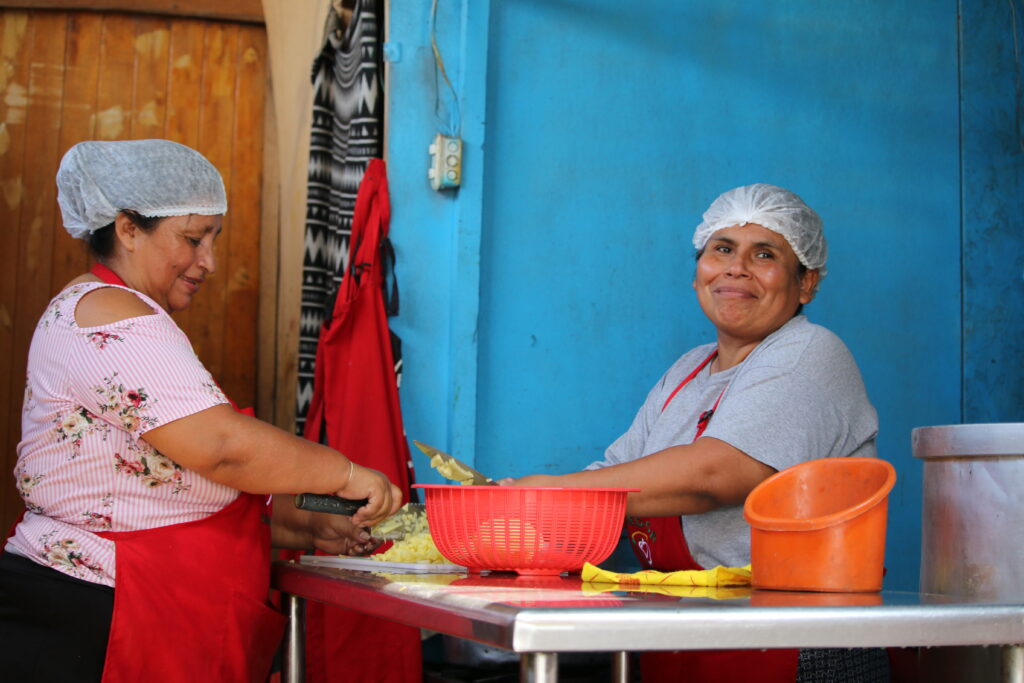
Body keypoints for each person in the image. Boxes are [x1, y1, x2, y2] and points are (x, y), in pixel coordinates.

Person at [0, 139, 403, 682]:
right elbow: (222, 449)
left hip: (136, 607)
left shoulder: (126, 315)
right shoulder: (108, 314)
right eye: (192, 239)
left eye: (212, 239)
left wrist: (307, 525)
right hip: (97, 615)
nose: (208, 261)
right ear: (127, 229)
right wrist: (348, 473)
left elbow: (167, 489)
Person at [512, 184, 885, 682]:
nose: (736, 268)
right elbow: (612, 473)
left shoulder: (810, 352)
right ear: (697, 275)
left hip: (791, 644)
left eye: (765, 254)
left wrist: (551, 493)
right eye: (722, 249)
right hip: (687, 635)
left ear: (806, 284)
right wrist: (512, 521)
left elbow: (716, 474)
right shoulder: (688, 371)